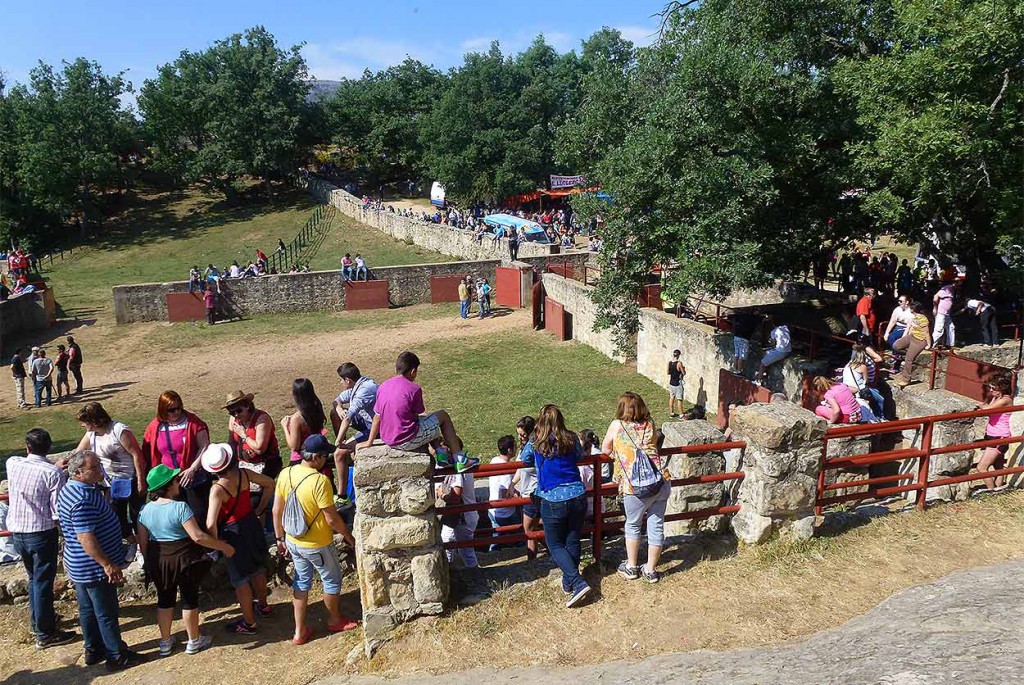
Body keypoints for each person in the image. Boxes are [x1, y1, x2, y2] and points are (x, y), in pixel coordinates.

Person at [138, 464, 234, 656]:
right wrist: (223, 546)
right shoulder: (180, 507)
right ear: (169, 485)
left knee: (164, 600)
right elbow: (198, 536)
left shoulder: (145, 510)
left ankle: (165, 642)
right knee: (189, 598)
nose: (178, 481)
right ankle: (193, 640)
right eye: (175, 480)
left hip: (159, 560)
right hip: (184, 559)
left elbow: (143, 542)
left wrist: (150, 563)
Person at [273, 435, 359, 645]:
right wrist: (349, 537)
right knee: (331, 580)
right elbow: (331, 518)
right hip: (317, 544)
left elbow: (277, 509)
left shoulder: (286, 473)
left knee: (301, 582)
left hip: (293, 539)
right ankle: (334, 619)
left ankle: (299, 631)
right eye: (325, 456)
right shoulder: (319, 481)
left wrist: (279, 538)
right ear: (317, 458)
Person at [56, 451, 138, 672]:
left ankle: (93, 649)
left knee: (87, 609)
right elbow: (86, 537)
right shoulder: (82, 499)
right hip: (93, 567)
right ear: (79, 472)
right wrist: (107, 564)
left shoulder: (72, 489)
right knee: (106, 612)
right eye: (95, 467)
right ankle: (115, 654)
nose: (101, 469)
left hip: (79, 564)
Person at [6, 429, 74, 648]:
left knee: (34, 578)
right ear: (49, 448)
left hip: (18, 533)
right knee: (42, 582)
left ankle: (39, 623)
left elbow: (31, 467)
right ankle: (45, 633)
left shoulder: (13, 463)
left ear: (27, 447)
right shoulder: (53, 474)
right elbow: (57, 512)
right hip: (41, 533)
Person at [520, 405, 592, 608]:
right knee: (572, 539)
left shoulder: (536, 441)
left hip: (552, 499)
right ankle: (569, 581)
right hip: (578, 495)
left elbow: (525, 459)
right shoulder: (570, 438)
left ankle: (576, 582)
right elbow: (579, 457)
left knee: (555, 544)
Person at [361, 351, 478, 471]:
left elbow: (377, 417)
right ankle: (459, 458)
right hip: (407, 440)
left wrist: (370, 441)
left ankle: (441, 454)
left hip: (389, 439)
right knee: (442, 416)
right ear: (412, 371)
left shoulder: (383, 387)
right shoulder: (414, 389)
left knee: (427, 421)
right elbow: (417, 415)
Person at [201, 444, 274, 634]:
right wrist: (260, 509)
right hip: (251, 524)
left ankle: (249, 623)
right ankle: (264, 606)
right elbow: (269, 483)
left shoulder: (217, 489)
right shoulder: (244, 474)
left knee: (240, 580)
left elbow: (210, 523)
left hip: (233, 533)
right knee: (257, 568)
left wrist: (216, 545)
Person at [602, 392, 670, 583]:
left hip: (635, 485)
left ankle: (632, 567)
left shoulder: (617, 425)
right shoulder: (650, 423)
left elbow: (606, 449)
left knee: (633, 524)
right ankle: (650, 570)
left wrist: (620, 453)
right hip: (660, 480)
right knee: (656, 525)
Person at [74, 402, 146, 553]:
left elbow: (136, 454)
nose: (83, 426)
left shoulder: (118, 430)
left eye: (85, 422)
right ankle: (132, 542)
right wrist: (64, 463)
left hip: (129, 479)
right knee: (115, 517)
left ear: (95, 421)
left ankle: (143, 547)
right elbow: (79, 453)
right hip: (109, 483)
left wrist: (140, 480)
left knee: (137, 516)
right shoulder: (91, 434)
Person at [141, 391, 212, 528]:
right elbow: (148, 453)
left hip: (193, 478)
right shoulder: (155, 427)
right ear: (163, 410)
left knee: (198, 516)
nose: (177, 412)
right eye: (171, 410)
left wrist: (192, 469)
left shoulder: (193, 423)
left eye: (179, 407)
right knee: (175, 517)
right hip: (169, 480)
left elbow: (204, 446)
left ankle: (207, 547)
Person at [224, 390, 282, 510]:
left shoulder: (262, 419)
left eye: (239, 410)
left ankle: (262, 513)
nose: (235, 415)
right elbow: (231, 443)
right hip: (244, 464)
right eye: (231, 412)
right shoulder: (234, 420)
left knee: (254, 500)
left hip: (266, 463)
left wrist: (244, 435)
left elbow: (260, 448)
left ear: (247, 405)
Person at [330, 363, 377, 502]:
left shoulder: (364, 391)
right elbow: (337, 400)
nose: (340, 382)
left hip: (375, 429)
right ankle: (345, 443)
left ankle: (342, 496)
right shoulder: (358, 385)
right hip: (366, 421)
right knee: (334, 412)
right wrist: (339, 408)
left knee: (338, 454)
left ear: (348, 380)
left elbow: (349, 417)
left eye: (341, 380)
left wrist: (338, 442)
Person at [974, 375, 1014, 492]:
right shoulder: (996, 398)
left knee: (981, 467)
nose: (991, 390)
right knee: (998, 467)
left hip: (1000, 437)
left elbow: (987, 409)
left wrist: (981, 406)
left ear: (1002, 388)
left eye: (993, 388)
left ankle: (991, 490)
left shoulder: (1006, 400)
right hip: (992, 435)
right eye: (990, 388)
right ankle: (998, 489)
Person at [436, 460, 479, 569]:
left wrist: (441, 494)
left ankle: (453, 571)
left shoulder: (455, 467)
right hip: (463, 514)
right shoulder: (461, 465)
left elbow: (455, 496)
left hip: (461, 515)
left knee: (456, 545)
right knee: (460, 546)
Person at [510, 416, 541, 559]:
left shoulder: (533, 448)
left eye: (523, 434)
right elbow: (520, 470)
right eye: (518, 434)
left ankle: (532, 560)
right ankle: (555, 552)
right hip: (527, 493)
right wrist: (512, 484)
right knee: (534, 529)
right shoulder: (526, 447)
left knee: (528, 530)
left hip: (532, 494)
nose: (520, 437)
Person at [486, 435, 522, 553]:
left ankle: (493, 553)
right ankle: (520, 549)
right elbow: (507, 494)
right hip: (505, 513)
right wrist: (518, 495)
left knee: (497, 536)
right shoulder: (506, 474)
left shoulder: (495, 461)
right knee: (520, 531)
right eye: (514, 446)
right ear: (509, 450)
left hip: (493, 509)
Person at [281, 378, 328, 466]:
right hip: (318, 454)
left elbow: (295, 446)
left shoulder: (297, 418)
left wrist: (285, 427)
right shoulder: (317, 408)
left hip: (301, 459)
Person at [892, 302, 932, 387]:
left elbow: (926, 332)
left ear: (913, 309)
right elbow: (911, 328)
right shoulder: (913, 317)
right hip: (912, 336)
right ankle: (909, 354)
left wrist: (929, 344)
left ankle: (906, 379)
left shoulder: (922, 319)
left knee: (908, 359)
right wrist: (906, 337)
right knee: (896, 345)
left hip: (920, 340)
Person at [841, 349, 881, 423]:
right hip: (859, 390)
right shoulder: (862, 366)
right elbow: (866, 380)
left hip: (847, 388)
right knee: (880, 399)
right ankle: (880, 417)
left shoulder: (848, 365)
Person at [756, 318, 792, 385]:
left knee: (762, 363)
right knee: (768, 354)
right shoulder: (785, 328)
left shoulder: (774, 331)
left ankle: (758, 380)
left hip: (781, 351)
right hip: (789, 350)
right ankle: (765, 371)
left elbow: (773, 344)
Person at [731, 308, 762, 374]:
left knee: (737, 353)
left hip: (736, 336)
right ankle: (739, 371)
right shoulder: (755, 319)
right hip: (744, 338)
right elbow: (758, 326)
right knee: (742, 355)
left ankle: (734, 369)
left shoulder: (745, 316)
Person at [932, 281, 956, 348]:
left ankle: (950, 344)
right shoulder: (946, 288)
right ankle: (933, 344)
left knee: (951, 327)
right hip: (941, 312)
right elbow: (935, 297)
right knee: (939, 328)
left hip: (947, 313)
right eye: (956, 282)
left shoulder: (952, 290)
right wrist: (935, 308)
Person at [667, 350, 685, 418]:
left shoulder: (669, 363)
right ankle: (681, 414)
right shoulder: (679, 363)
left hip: (671, 383)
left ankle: (671, 413)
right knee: (679, 399)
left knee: (672, 397)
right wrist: (683, 369)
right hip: (678, 383)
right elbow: (683, 373)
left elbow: (668, 372)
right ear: (678, 355)